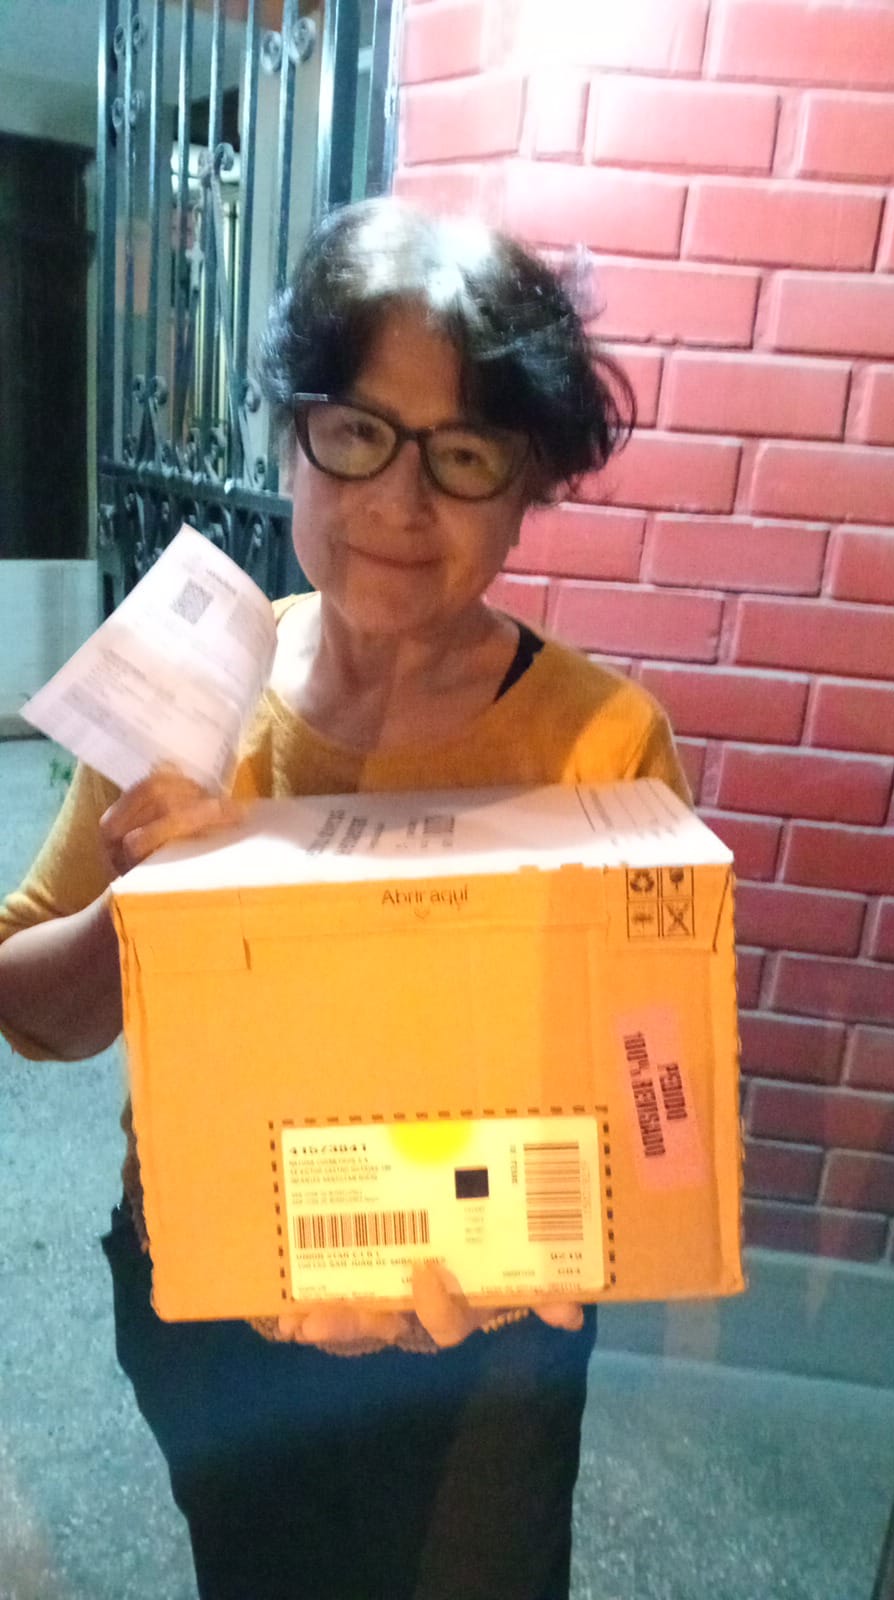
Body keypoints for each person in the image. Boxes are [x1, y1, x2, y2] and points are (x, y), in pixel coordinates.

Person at [0, 198, 690, 1600]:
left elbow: (657, 1099)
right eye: (359, 430)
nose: (401, 501)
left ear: (528, 483)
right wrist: (139, 911)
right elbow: (29, 1007)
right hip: (219, 1295)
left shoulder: (599, 744)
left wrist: (555, 1217)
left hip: (485, 1325)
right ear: (291, 434)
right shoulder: (189, 685)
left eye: (466, 453)